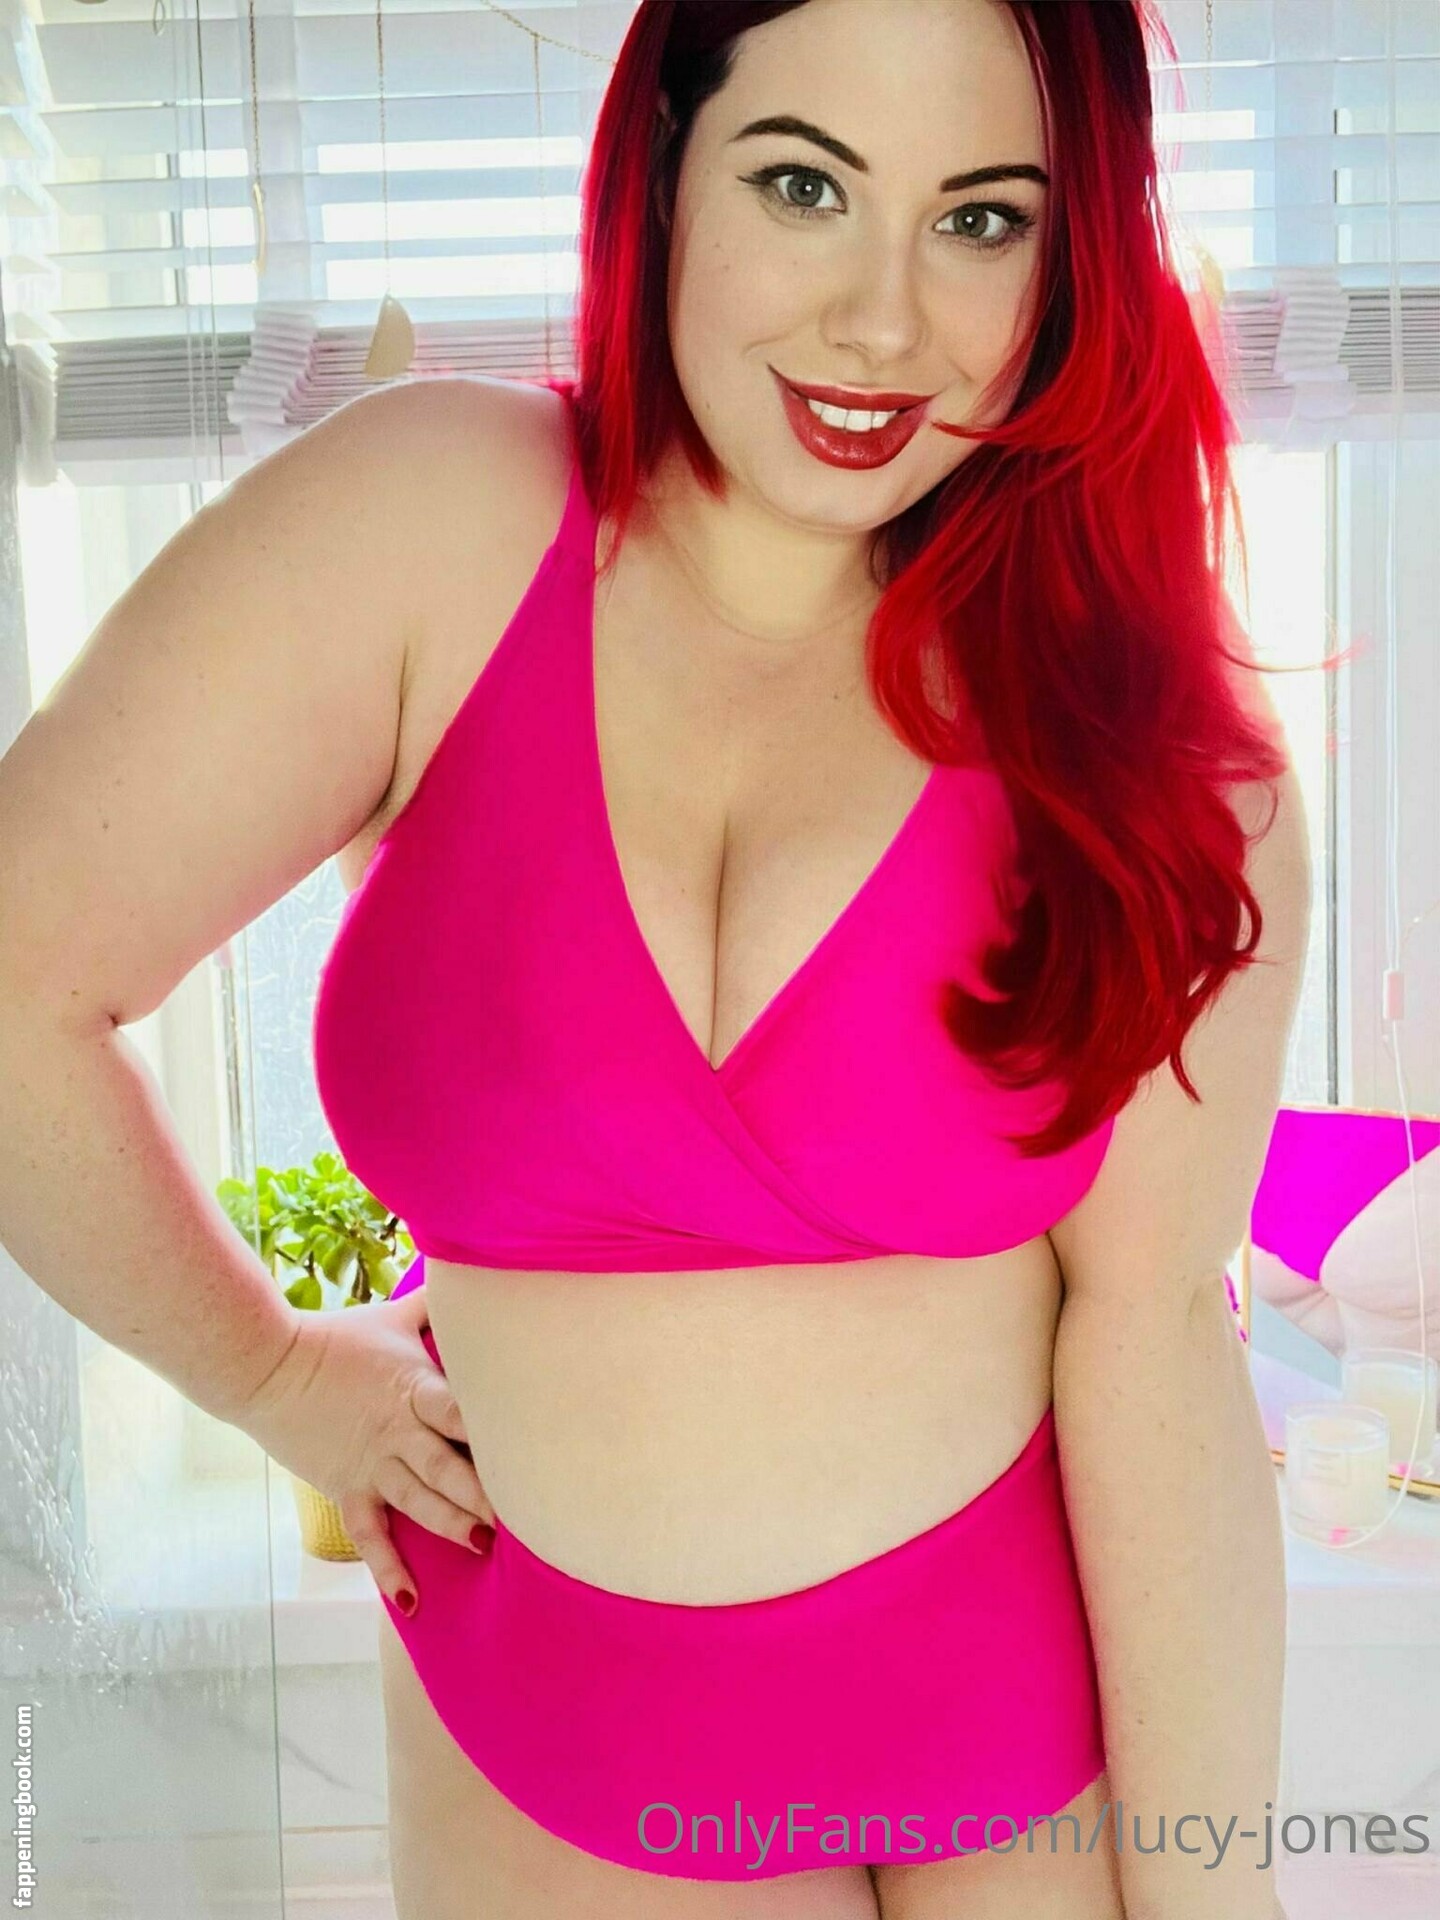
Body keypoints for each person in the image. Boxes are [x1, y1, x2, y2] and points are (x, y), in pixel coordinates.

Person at [0, 2, 1313, 1916]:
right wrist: (271, 1375)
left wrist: (1220, 1898)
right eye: (804, 186)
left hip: (1016, 1752)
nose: (881, 324)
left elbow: (1154, 1338)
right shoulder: (428, 525)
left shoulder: (1145, 741)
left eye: (980, 219)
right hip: (559, 1734)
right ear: (668, 165)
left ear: (1072, 256)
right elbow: (20, 983)